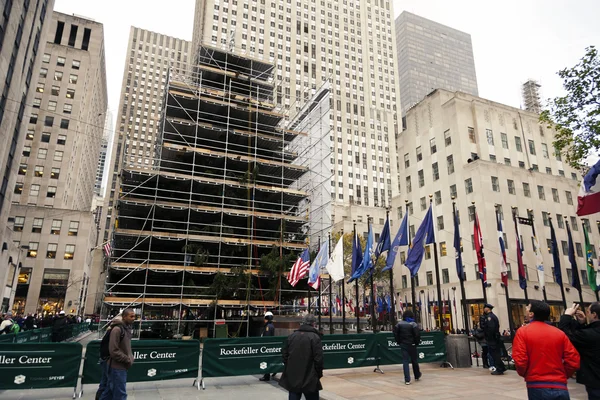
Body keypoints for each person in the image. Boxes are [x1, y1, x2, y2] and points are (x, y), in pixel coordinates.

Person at [513, 300, 579, 400]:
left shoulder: (523, 332)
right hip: (560, 385)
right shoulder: (559, 333)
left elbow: (520, 360)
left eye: (528, 307)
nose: (525, 308)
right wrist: (563, 374)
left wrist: (527, 373)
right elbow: (573, 360)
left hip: (537, 385)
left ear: (531, 314)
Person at [559, 302, 600, 400]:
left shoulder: (590, 334)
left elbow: (565, 335)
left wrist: (567, 316)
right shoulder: (591, 332)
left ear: (594, 315)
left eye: (588, 311)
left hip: (595, 380)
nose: (587, 314)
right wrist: (582, 324)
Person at [279, 314, 323, 400]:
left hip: (293, 374)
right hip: (310, 375)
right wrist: (318, 373)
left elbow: (284, 354)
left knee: (294, 394)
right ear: (313, 324)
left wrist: (288, 367)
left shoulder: (292, 336)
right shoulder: (315, 337)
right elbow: (319, 359)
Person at [100, 309, 135, 400]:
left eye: (134, 316)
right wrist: (127, 359)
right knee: (120, 394)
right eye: (131, 316)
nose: (133, 318)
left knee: (109, 392)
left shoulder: (127, 329)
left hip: (121, 366)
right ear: (124, 317)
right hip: (116, 366)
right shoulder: (117, 329)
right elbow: (114, 350)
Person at [96, 316, 122, 400]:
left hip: (105, 358)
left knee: (104, 382)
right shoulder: (115, 332)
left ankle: (99, 397)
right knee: (110, 384)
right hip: (109, 360)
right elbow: (113, 349)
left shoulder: (110, 331)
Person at [393, 310, 422, 385]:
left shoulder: (399, 324)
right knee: (414, 360)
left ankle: (407, 379)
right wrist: (416, 342)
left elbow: (396, 334)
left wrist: (399, 341)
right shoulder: (413, 324)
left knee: (405, 361)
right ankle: (417, 375)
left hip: (403, 344)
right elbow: (417, 335)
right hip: (412, 344)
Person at [481, 303, 505, 375]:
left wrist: (489, 337)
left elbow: (491, 329)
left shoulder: (490, 317)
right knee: (495, 353)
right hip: (494, 338)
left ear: (487, 309)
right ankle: (501, 367)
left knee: (494, 354)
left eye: (485, 308)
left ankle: (499, 368)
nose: (484, 309)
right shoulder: (492, 316)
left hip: (492, 339)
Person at [259, 311, 276, 381]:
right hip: (269, 346)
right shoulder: (271, 325)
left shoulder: (268, 327)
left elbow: (267, 337)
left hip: (266, 347)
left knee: (266, 361)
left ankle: (267, 375)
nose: (264, 320)